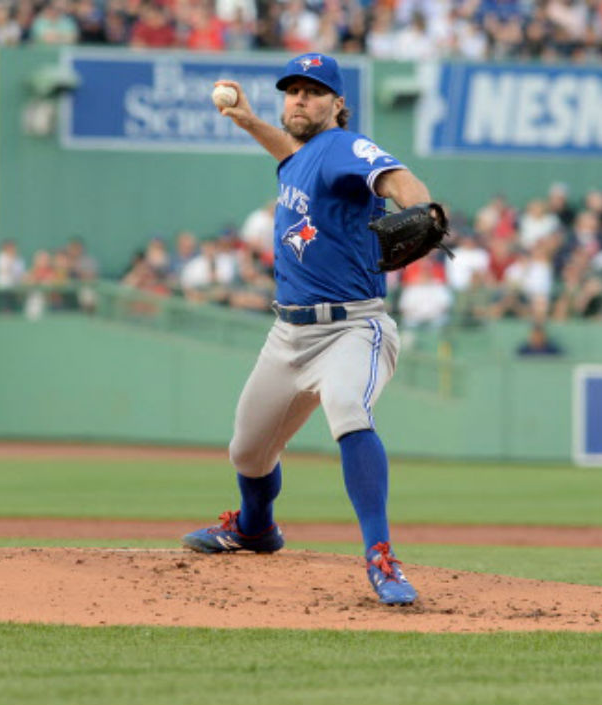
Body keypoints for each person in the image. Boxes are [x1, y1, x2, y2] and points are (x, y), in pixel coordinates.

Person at [181, 53, 440, 606]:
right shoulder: (303, 157)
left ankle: (381, 556)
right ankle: (255, 529)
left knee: (348, 409)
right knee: (248, 454)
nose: (301, 99)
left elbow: (397, 179)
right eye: (293, 90)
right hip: (289, 335)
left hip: (352, 329)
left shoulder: (346, 146)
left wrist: (423, 210)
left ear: (337, 104)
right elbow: (294, 156)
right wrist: (250, 122)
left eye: (314, 91)